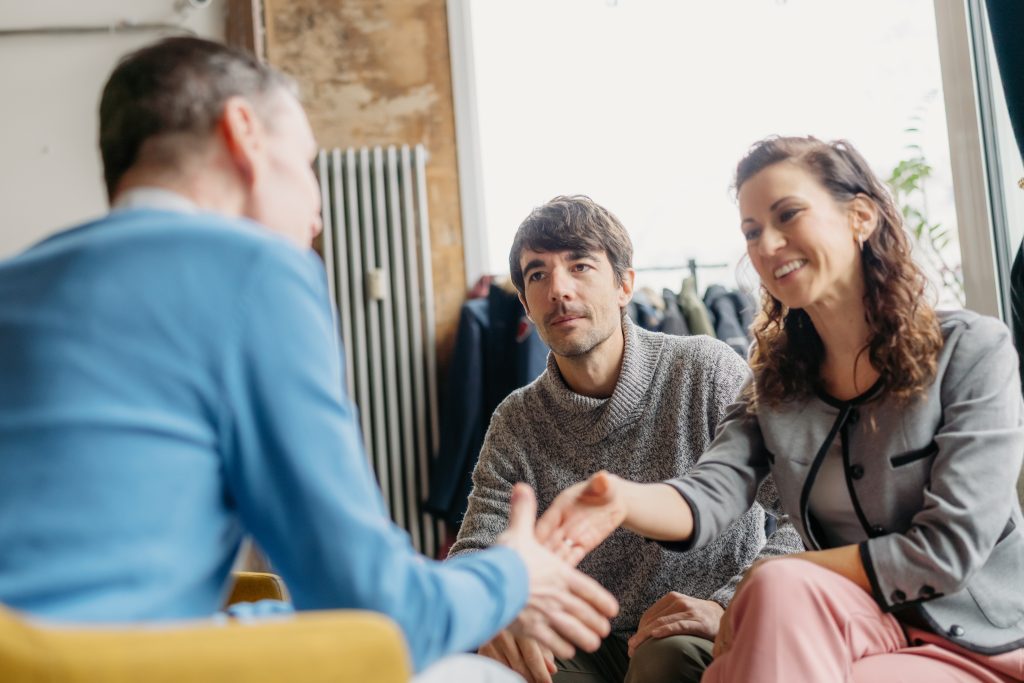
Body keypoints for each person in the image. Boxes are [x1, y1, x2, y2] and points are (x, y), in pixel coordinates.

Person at [0, 37, 619, 681]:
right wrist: (512, 574)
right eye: (307, 164)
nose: (317, 216)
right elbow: (376, 610)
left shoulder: (14, 284)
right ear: (243, 134)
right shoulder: (251, 267)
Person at [539, 137, 1024, 682]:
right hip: (847, 624)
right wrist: (617, 498)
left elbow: (949, 550)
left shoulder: (972, 350)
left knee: (768, 606)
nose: (767, 244)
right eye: (751, 231)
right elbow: (707, 494)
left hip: (973, 636)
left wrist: (780, 574)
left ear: (860, 216)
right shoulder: (776, 385)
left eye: (787, 215)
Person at [449, 195, 803, 683]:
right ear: (526, 306)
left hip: (691, 631)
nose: (559, 290)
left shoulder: (705, 370)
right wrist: (495, 611)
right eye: (538, 275)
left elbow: (802, 516)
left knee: (665, 658)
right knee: (489, 663)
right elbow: (475, 550)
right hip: (583, 641)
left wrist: (734, 604)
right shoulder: (516, 419)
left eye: (580, 267)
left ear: (624, 286)